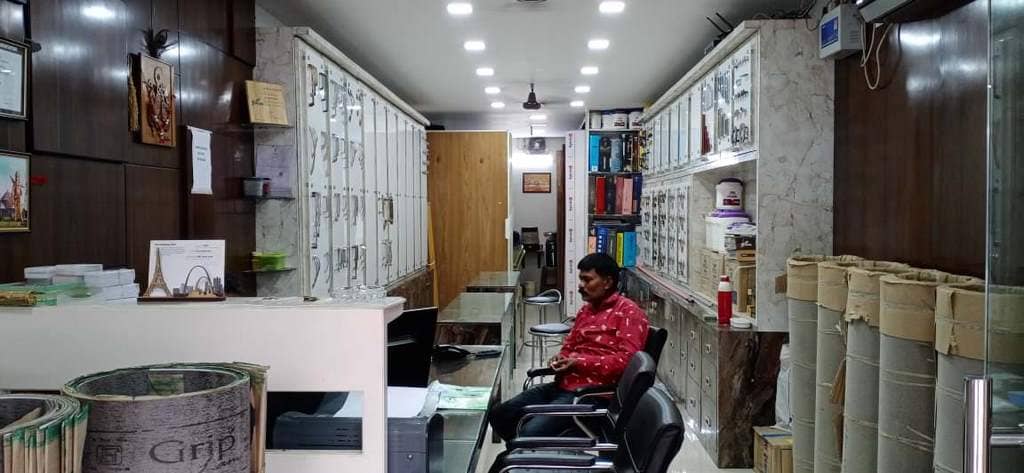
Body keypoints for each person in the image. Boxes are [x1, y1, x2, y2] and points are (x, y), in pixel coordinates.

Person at [488, 252, 650, 442]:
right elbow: (570, 345)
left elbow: (627, 362)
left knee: (529, 433)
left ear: (607, 282)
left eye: (587, 280)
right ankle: (525, 451)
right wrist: (561, 358)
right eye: (580, 279)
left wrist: (579, 362)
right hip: (563, 385)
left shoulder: (629, 313)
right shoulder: (586, 310)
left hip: (592, 394)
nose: (580, 285)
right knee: (500, 414)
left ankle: (529, 450)